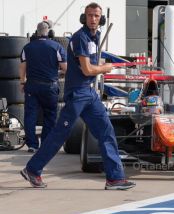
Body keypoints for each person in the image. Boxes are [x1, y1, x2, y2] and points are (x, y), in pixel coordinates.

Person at [20, 2, 136, 190]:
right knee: (59, 134)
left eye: (96, 16)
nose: (93, 19)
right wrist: (105, 68)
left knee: (106, 132)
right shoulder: (80, 37)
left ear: (101, 19)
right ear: (84, 18)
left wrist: (99, 67)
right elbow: (88, 69)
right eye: (90, 15)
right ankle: (33, 169)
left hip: (89, 93)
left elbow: (91, 65)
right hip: (77, 94)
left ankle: (115, 178)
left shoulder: (95, 36)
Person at [19, 21, 67, 153]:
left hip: (32, 86)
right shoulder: (57, 47)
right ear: (50, 33)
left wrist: (22, 82)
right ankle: (46, 144)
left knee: (30, 116)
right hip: (50, 87)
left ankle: (32, 145)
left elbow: (22, 67)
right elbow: (65, 68)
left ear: (36, 33)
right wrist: (58, 72)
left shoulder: (27, 48)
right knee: (50, 116)